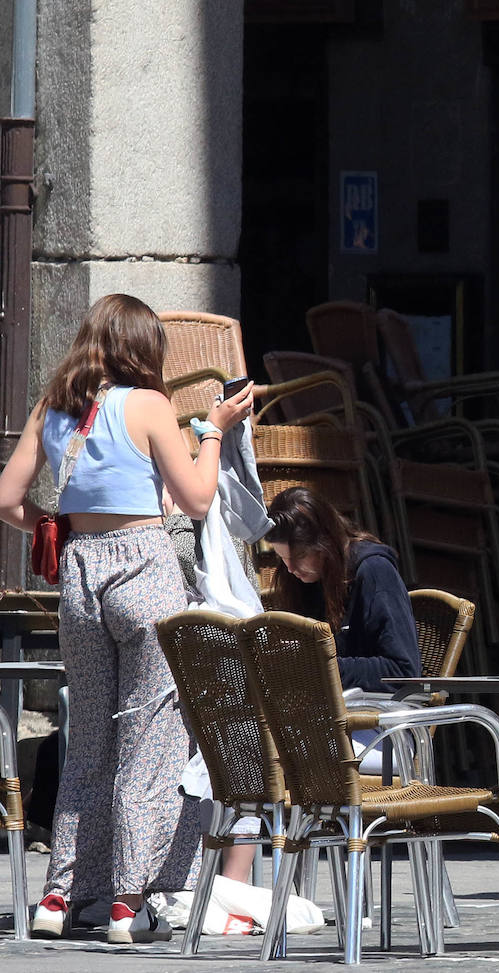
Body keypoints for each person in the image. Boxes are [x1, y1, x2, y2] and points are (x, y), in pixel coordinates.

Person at [0, 294, 254, 943]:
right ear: (140, 347)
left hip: (81, 572)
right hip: (144, 566)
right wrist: (217, 427)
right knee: (151, 740)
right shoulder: (147, 404)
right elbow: (197, 500)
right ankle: (125, 901)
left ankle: (58, 895)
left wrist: (53, 526)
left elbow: (6, 497)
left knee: (86, 737)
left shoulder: (53, 404)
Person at [263, 486, 421, 693]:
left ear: (326, 543)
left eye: (300, 556)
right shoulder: (305, 578)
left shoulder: (374, 571)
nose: (291, 568)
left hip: (376, 714)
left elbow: (404, 672)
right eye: (282, 559)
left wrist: (322, 668)